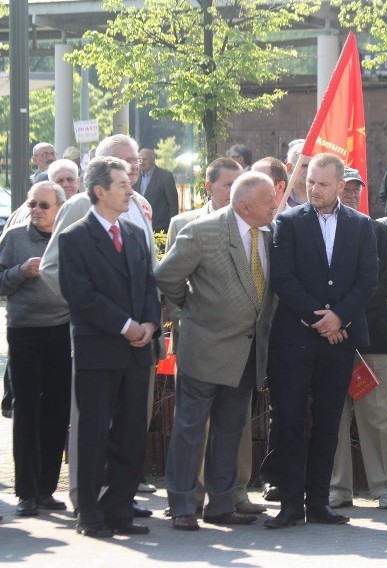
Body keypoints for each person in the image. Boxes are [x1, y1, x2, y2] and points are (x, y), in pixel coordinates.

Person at [40, 134, 159, 517]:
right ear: (99, 189)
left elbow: (147, 281)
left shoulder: (137, 225)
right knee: (93, 431)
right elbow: (73, 285)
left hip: (138, 349)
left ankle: (120, 504)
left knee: (130, 432)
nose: (132, 186)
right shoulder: (77, 226)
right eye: (123, 181)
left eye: (132, 176)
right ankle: (89, 508)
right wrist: (123, 324)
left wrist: (149, 324)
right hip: (98, 345)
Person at [156, 172, 277, 531]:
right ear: (244, 206)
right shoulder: (202, 232)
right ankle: (182, 506)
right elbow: (166, 278)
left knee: (229, 429)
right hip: (203, 349)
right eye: (268, 200)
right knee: (190, 428)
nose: (275, 204)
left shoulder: (270, 235)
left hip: (245, 353)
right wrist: (186, 317)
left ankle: (221, 504)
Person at [264, 153, 377, 529]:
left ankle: (319, 503)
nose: (314, 189)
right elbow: (284, 279)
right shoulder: (288, 222)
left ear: (341, 186)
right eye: (310, 181)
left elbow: (367, 280)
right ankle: (290, 504)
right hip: (294, 339)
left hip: (338, 342)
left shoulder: (361, 225)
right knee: (290, 421)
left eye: (323, 184)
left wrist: (340, 316)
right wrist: (321, 319)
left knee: (330, 422)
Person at [329, 167, 387, 511]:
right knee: (333, 416)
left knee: (379, 415)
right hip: (326, 338)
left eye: (355, 188)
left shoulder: (383, 236)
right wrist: (331, 321)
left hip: (370, 337)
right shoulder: (313, 232)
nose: (350, 194)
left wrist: (342, 316)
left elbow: (383, 287)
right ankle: (336, 489)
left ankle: (386, 488)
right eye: (344, 187)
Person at [0, 181, 70, 517]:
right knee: (26, 411)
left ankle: (46, 489)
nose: (37, 211)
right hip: (24, 332)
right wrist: (18, 272)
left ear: (60, 207)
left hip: (62, 331)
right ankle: (26, 492)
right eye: (33, 204)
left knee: (56, 412)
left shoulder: (70, 237)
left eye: (44, 205)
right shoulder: (13, 238)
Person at [135, 148, 179, 232]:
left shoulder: (165, 176)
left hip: (160, 228)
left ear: (153, 160)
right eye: (139, 159)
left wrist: (171, 228)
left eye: (145, 159)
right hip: (139, 227)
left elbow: (173, 205)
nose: (141, 162)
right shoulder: (135, 177)